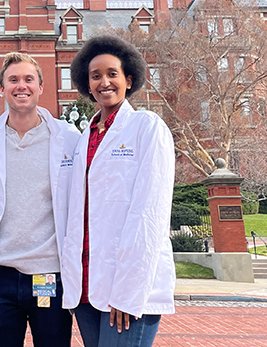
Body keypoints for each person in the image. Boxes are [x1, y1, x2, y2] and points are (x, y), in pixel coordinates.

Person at [61, 35, 175, 347]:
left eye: (112, 73)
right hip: (86, 285)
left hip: (127, 289)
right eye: (95, 76)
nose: (104, 82)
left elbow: (149, 213)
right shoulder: (84, 137)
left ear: (129, 78)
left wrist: (129, 291)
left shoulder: (147, 127)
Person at [0, 52, 81, 347]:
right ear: (2, 89)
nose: (21, 86)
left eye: (28, 79)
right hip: (0, 276)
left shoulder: (69, 138)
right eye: (13, 80)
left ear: (41, 87)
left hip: (47, 274)